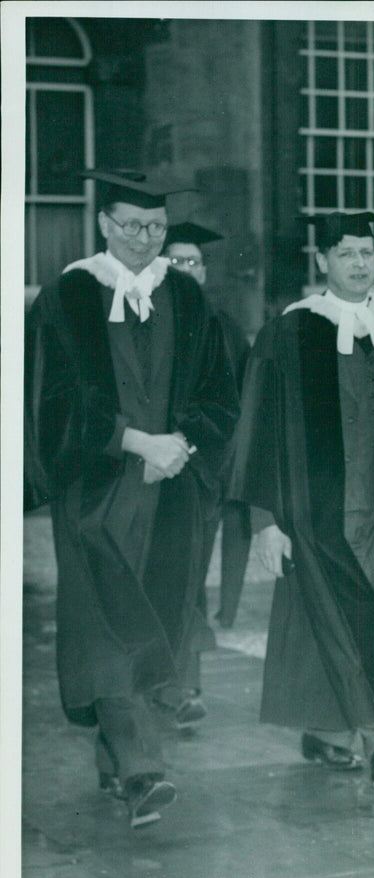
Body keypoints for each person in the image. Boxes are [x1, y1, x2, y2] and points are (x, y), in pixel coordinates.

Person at [24, 169, 239, 827]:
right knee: (105, 625)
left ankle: (114, 758)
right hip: (97, 489)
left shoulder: (189, 297)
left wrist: (182, 441)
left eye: (157, 227)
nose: (146, 238)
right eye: (132, 225)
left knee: (154, 616)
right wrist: (133, 441)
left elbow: (217, 390)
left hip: (172, 488)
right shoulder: (67, 297)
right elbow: (49, 400)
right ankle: (145, 768)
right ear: (104, 225)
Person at [229, 211, 374, 792]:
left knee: (361, 611)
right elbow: (255, 428)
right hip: (315, 511)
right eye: (346, 254)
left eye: (367, 252)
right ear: (323, 262)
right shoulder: (289, 333)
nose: (359, 263)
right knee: (348, 614)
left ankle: (328, 732)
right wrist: (264, 519)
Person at [157, 221, 253, 726]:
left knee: (189, 578)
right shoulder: (142, 316)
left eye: (193, 262)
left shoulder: (223, 326)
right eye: (175, 262)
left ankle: (183, 686)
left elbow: (237, 404)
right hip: (150, 470)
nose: (185, 271)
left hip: (203, 475)